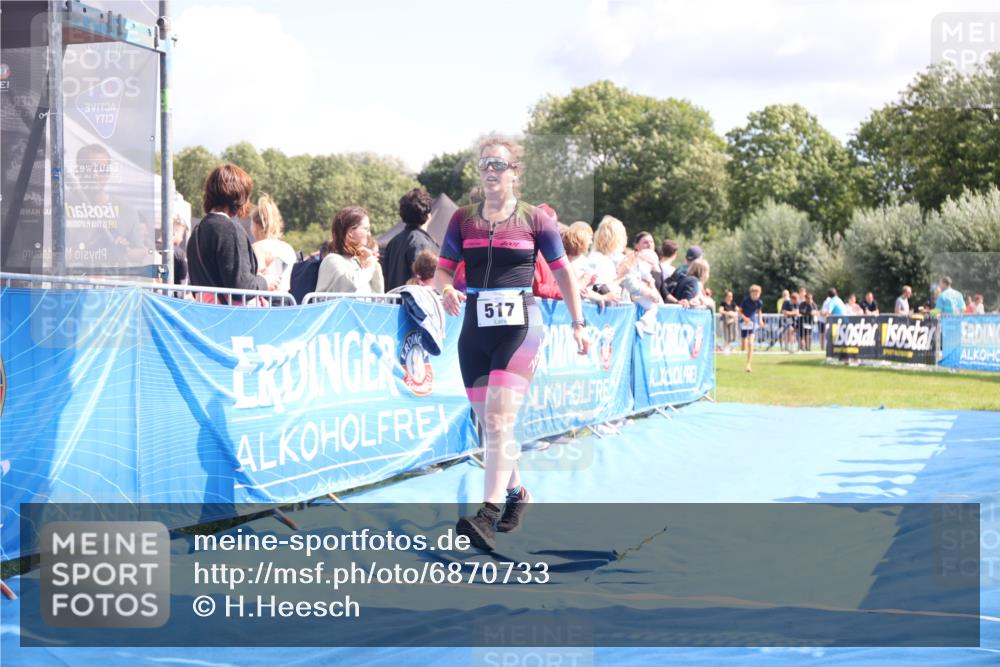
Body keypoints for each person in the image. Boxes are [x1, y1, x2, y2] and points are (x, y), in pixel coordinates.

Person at [435, 136, 590, 551]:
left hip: (520, 328)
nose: (490, 169)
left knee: (501, 421)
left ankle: (486, 515)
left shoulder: (536, 219)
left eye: (498, 164)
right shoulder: (462, 220)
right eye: (484, 163)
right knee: (490, 424)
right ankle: (518, 493)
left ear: (514, 173)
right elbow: (443, 272)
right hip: (474, 329)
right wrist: (446, 290)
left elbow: (562, 275)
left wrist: (579, 323)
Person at [187, 164, 276, 300]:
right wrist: (265, 282)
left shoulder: (197, 232)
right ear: (240, 196)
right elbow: (241, 288)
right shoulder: (229, 229)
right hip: (229, 317)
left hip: (204, 315)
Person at [316, 206, 385, 294]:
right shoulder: (332, 260)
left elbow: (378, 296)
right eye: (366, 229)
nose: (369, 234)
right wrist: (369, 267)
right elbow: (352, 286)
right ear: (351, 232)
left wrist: (374, 265)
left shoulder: (357, 262)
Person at [382, 188, 439, 291]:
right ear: (428, 215)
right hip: (414, 304)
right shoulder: (422, 244)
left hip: (394, 304)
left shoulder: (393, 242)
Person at [250, 194, 297, 293]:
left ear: (255, 225)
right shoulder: (289, 249)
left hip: (262, 304)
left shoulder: (254, 248)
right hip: (287, 303)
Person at [738, 284, 764, 373]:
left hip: (752, 322)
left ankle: (749, 364)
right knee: (743, 346)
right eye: (753, 294)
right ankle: (743, 355)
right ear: (750, 293)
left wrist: (760, 320)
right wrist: (744, 318)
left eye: (757, 294)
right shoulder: (745, 300)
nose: (755, 295)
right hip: (744, 322)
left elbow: (759, 311)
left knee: (750, 343)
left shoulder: (760, 302)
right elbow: (739, 311)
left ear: (759, 294)